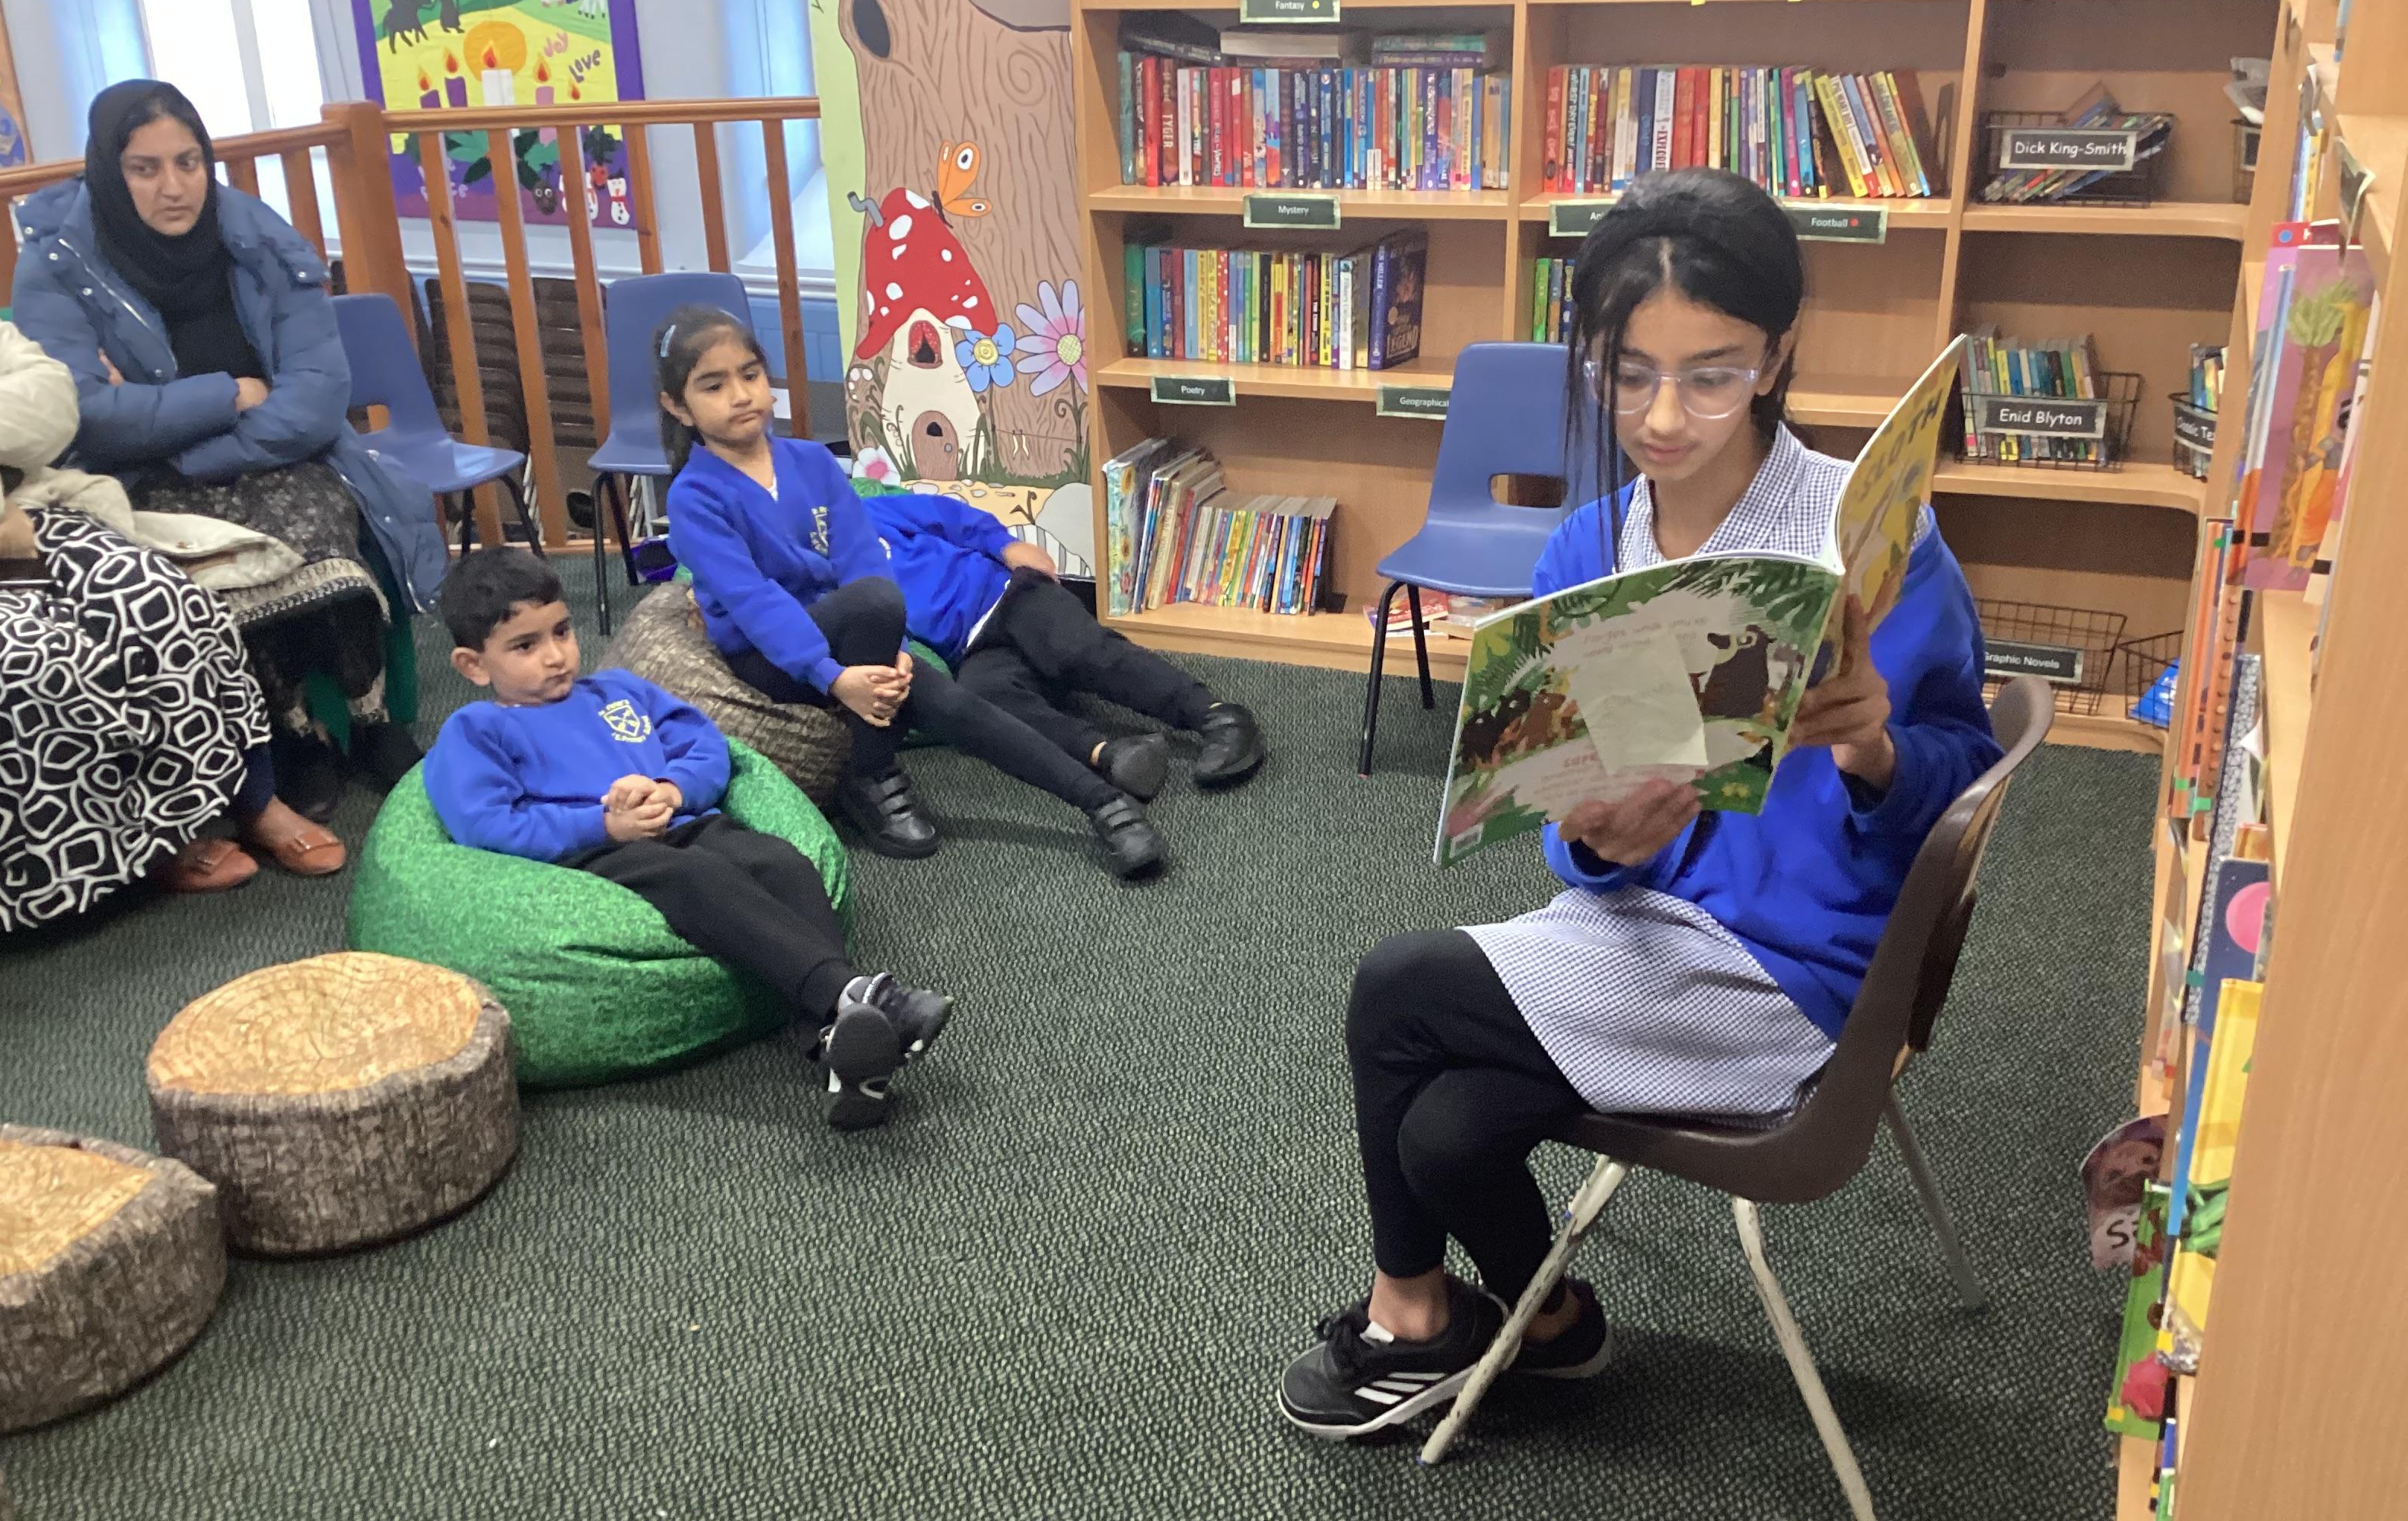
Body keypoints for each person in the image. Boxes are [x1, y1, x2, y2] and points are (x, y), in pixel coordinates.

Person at [1277, 169, 2004, 1439]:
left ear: (1775, 355)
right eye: (1627, 374)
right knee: (1442, 1131)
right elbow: (1578, 832)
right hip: (1639, 933)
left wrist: (1875, 750)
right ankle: (1553, 1328)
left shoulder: (1865, 535)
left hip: (1796, 973)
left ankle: (1411, 1315)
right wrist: (1595, 841)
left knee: (1396, 987)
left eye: (1710, 375)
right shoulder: (1589, 551)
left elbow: (1961, 771)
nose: (1663, 416)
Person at [11, 80, 448, 823]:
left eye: (188, 163)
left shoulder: (260, 240)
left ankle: (372, 721)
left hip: (264, 457)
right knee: (221, 565)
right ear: (108, 171)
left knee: (324, 530)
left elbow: (317, 395)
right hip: (144, 481)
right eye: (145, 168)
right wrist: (227, 393)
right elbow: (85, 416)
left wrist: (181, 437)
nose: (174, 186)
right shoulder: (56, 266)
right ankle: (294, 737)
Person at [423, 549, 953, 1129]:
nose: (555, 656)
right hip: (597, 854)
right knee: (697, 878)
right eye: (525, 646)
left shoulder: (618, 691)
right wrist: (604, 825)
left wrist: (672, 791)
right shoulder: (475, 731)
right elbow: (487, 825)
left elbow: (708, 746)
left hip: (686, 823)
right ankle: (857, 995)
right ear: (474, 665)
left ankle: (837, 1037)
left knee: (783, 862)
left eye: (562, 632)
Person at [654, 307, 1167, 880]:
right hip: (767, 656)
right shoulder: (694, 498)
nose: (740, 395)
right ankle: (873, 773)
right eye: (713, 386)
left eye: (750, 375)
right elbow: (756, 604)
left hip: (848, 628)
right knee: (875, 605)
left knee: (954, 703)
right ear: (678, 406)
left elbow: (861, 558)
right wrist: (834, 677)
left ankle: (1107, 807)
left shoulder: (810, 461)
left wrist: (887, 650)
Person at [0, 242, 340, 931]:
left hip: (19, 512)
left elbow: (52, 401)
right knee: (18, 654)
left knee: (157, 595)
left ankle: (252, 800)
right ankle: (130, 850)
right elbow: (13, 431)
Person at [865, 489, 1264, 801]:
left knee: (1080, 649)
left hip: (1010, 595)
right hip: (972, 648)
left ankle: (1215, 715)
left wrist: (1006, 545)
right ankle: (1110, 754)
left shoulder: (870, 512)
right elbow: (877, 631)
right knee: (985, 697)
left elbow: (950, 517)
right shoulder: (834, 586)